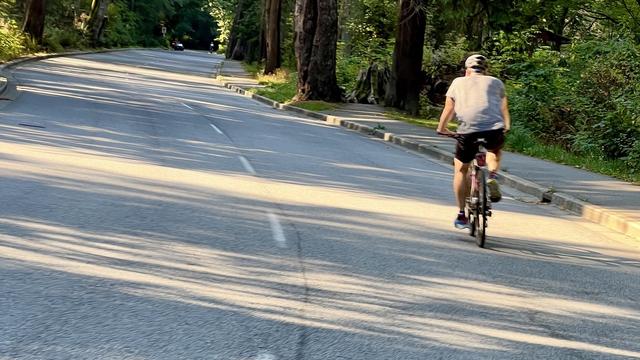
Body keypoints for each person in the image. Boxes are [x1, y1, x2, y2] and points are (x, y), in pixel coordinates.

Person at [436, 54, 511, 229]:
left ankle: (461, 214)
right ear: (486, 70)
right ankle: (492, 176)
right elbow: (503, 107)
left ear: (467, 70)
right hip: (493, 129)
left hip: (467, 131)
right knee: (494, 151)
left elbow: (449, 108)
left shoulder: (458, 82)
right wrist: (506, 125)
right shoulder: (496, 82)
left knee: (461, 169)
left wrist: (442, 129)